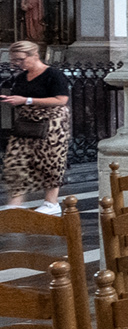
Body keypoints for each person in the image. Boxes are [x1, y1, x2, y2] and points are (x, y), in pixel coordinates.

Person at [3, 41, 70, 215]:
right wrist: (11, 99)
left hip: (52, 123)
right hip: (26, 121)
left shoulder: (53, 74)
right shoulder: (21, 77)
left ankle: (51, 202)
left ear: (34, 55)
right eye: (14, 61)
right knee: (16, 160)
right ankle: (15, 203)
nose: (18, 64)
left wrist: (27, 100)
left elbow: (61, 100)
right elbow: (19, 96)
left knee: (51, 161)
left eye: (20, 60)